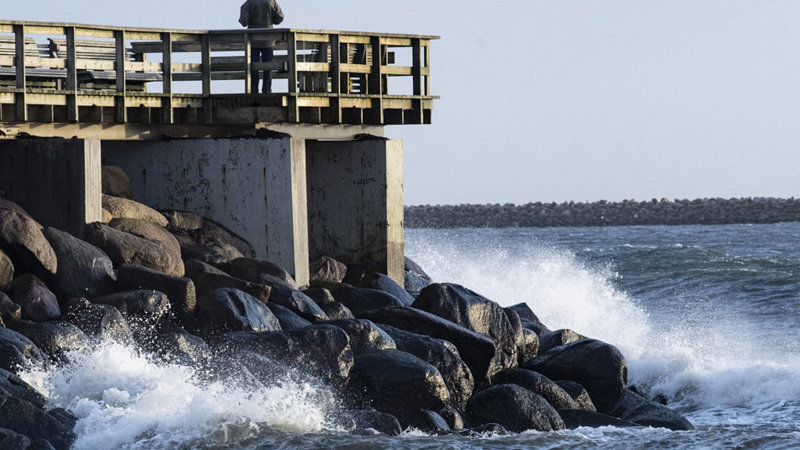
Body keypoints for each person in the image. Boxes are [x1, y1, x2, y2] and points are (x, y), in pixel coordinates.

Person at [239, 0, 285, 94]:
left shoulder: (249, 2)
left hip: (253, 40)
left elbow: (244, 21)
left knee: (252, 68)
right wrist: (272, 20)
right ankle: (267, 91)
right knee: (268, 68)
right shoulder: (272, 1)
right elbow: (280, 17)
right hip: (268, 40)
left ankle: (253, 91)